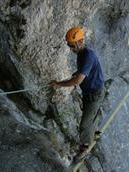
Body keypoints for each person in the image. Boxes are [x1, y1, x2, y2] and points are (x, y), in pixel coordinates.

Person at [50, 27, 105, 159]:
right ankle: (95, 132)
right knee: (91, 113)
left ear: (80, 42)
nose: (71, 48)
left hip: (95, 93)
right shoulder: (82, 54)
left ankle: (85, 147)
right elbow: (83, 72)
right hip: (90, 91)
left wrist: (59, 84)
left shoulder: (88, 56)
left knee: (85, 124)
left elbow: (77, 81)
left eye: (72, 45)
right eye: (69, 45)